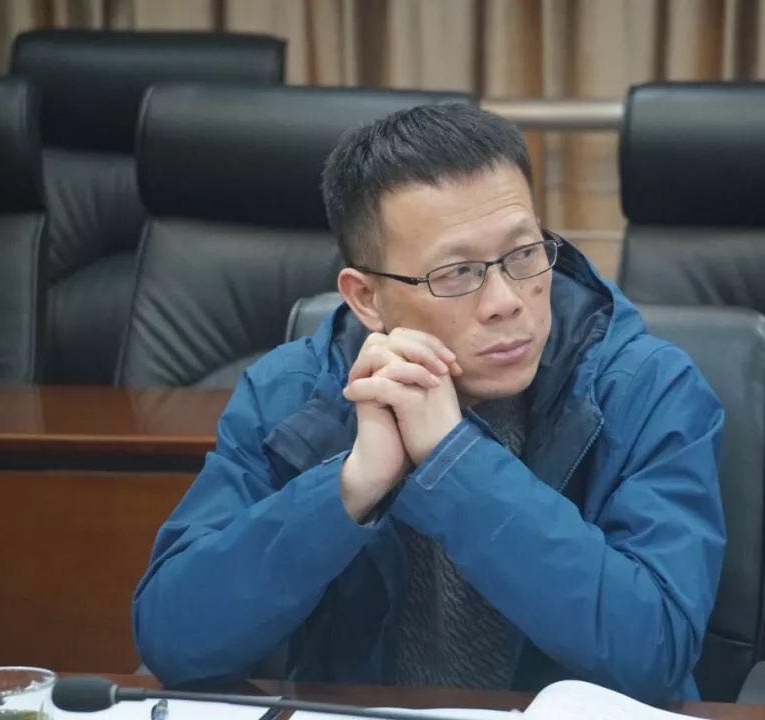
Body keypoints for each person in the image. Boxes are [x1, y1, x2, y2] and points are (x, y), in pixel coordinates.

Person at [133, 103, 726, 703]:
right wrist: (348, 488)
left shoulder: (647, 388)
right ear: (366, 298)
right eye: (457, 272)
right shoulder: (290, 394)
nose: (506, 301)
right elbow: (174, 640)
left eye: (524, 254)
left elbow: (654, 649)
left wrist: (454, 460)